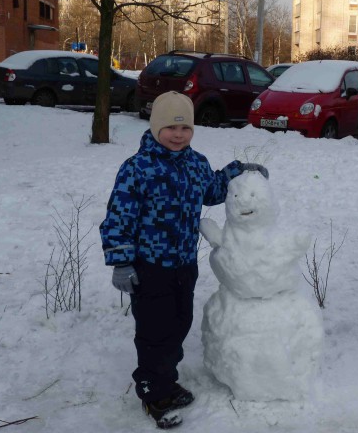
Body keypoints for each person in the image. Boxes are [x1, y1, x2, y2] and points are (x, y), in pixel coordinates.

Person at [100, 91, 267, 429]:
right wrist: (121, 260)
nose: (178, 135)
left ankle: (167, 381)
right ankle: (153, 394)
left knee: (178, 324)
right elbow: (119, 216)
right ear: (156, 127)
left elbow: (212, 191)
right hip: (149, 268)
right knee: (154, 332)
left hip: (183, 264)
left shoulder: (195, 162)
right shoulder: (138, 168)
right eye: (171, 128)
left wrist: (237, 173)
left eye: (185, 128)